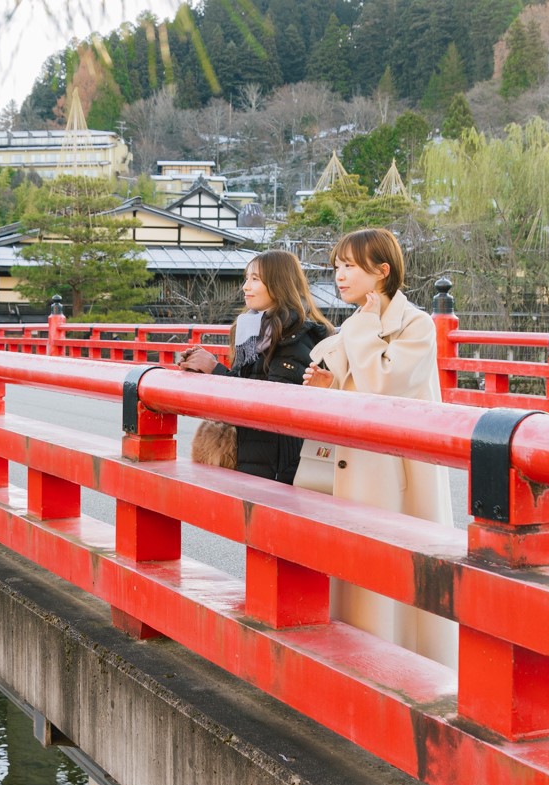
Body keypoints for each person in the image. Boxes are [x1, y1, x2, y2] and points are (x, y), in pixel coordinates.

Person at [301, 228, 457, 669]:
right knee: (357, 576)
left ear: (382, 271)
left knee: (396, 575)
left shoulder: (416, 324)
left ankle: (405, 669)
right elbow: (358, 390)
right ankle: (357, 665)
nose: (340, 275)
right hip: (358, 466)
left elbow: (386, 384)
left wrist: (366, 329)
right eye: (337, 266)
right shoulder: (356, 324)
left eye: (350, 266)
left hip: (396, 472)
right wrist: (331, 386)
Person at [176, 249, 334, 483]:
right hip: (252, 453)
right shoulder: (252, 330)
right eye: (246, 278)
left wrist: (216, 371)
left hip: (276, 465)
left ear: (278, 283)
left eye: (255, 279)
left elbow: (272, 402)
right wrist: (205, 368)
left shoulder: (295, 335)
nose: (245, 286)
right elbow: (246, 384)